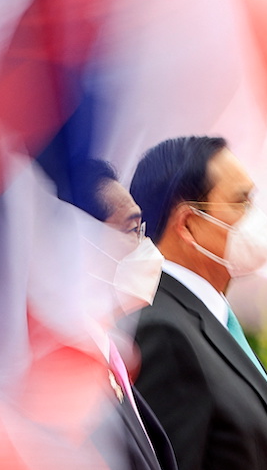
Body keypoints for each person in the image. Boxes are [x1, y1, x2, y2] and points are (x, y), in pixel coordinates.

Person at [128, 136, 267, 470]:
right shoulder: (162, 329)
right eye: (241, 202)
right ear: (188, 224)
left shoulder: (212, 318)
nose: (255, 218)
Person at [73, 159, 178, 470]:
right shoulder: (64, 374)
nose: (146, 248)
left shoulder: (108, 351)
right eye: (132, 229)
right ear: (82, 241)